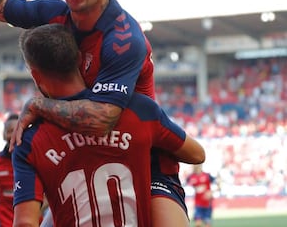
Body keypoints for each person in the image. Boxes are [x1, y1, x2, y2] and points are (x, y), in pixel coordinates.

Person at [0, 0, 189, 226]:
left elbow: (102, 119)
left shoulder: (123, 38)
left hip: (142, 160)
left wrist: (38, 106)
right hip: (79, 153)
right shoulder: (54, 14)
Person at [12, 23, 205, 227]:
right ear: (79, 59)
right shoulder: (138, 109)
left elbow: (25, 223)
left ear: (35, 75)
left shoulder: (30, 141)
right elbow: (197, 155)